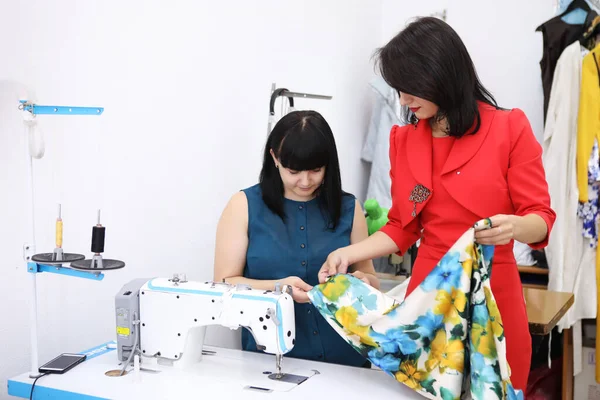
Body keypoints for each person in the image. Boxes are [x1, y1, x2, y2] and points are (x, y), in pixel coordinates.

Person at [319, 17, 556, 392]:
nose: (403, 101)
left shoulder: (509, 129)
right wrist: (347, 253)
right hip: (426, 302)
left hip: (492, 293)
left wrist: (514, 226)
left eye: (410, 89)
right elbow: (402, 226)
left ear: (441, 76)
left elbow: (541, 219)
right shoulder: (403, 140)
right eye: (398, 90)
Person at [213, 110, 379, 368]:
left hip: (346, 363)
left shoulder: (349, 208)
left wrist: (362, 283)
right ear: (274, 158)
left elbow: (372, 279)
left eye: (316, 170)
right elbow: (223, 284)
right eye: (294, 171)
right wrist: (279, 288)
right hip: (271, 362)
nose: (305, 181)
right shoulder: (243, 206)